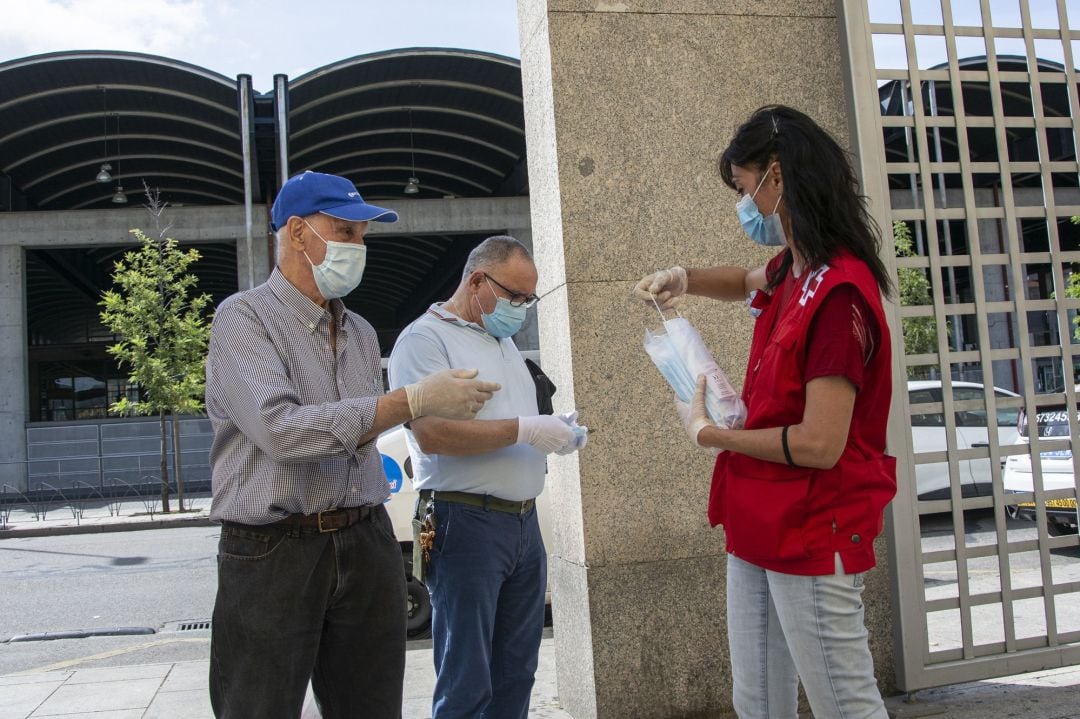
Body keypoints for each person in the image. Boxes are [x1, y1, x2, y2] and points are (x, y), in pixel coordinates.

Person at [204, 170, 501, 719]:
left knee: (371, 706)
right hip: (273, 548)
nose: (358, 248)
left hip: (365, 536)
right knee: (258, 706)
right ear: (297, 233)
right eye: (344, 232)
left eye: (362, 237)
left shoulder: (361, 332)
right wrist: (409, 401)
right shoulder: (242, 319)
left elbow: (356, 431)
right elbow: (282, 432)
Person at [635, 105, 896, 719]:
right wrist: (683, 278)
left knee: (844, 702)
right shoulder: (792, 269)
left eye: (744, 187)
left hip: (812, 524)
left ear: (776, 176)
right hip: (758, 518)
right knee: (757, 698)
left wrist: (713, 434)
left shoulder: (838, 295)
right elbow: (745, 279)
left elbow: (818, 445)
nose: (744, 206)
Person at [388, 235, 586, 719]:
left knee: (516, 671)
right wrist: (526, 429)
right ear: (477, 280)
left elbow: (514, 419)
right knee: (467, 677)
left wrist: (554, 431)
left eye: (527, 299)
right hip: (464, 522)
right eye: (514, 296)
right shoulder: (425, 340)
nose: (521, 308)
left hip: (521, 524)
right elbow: (432, 433)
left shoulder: (501, 340)